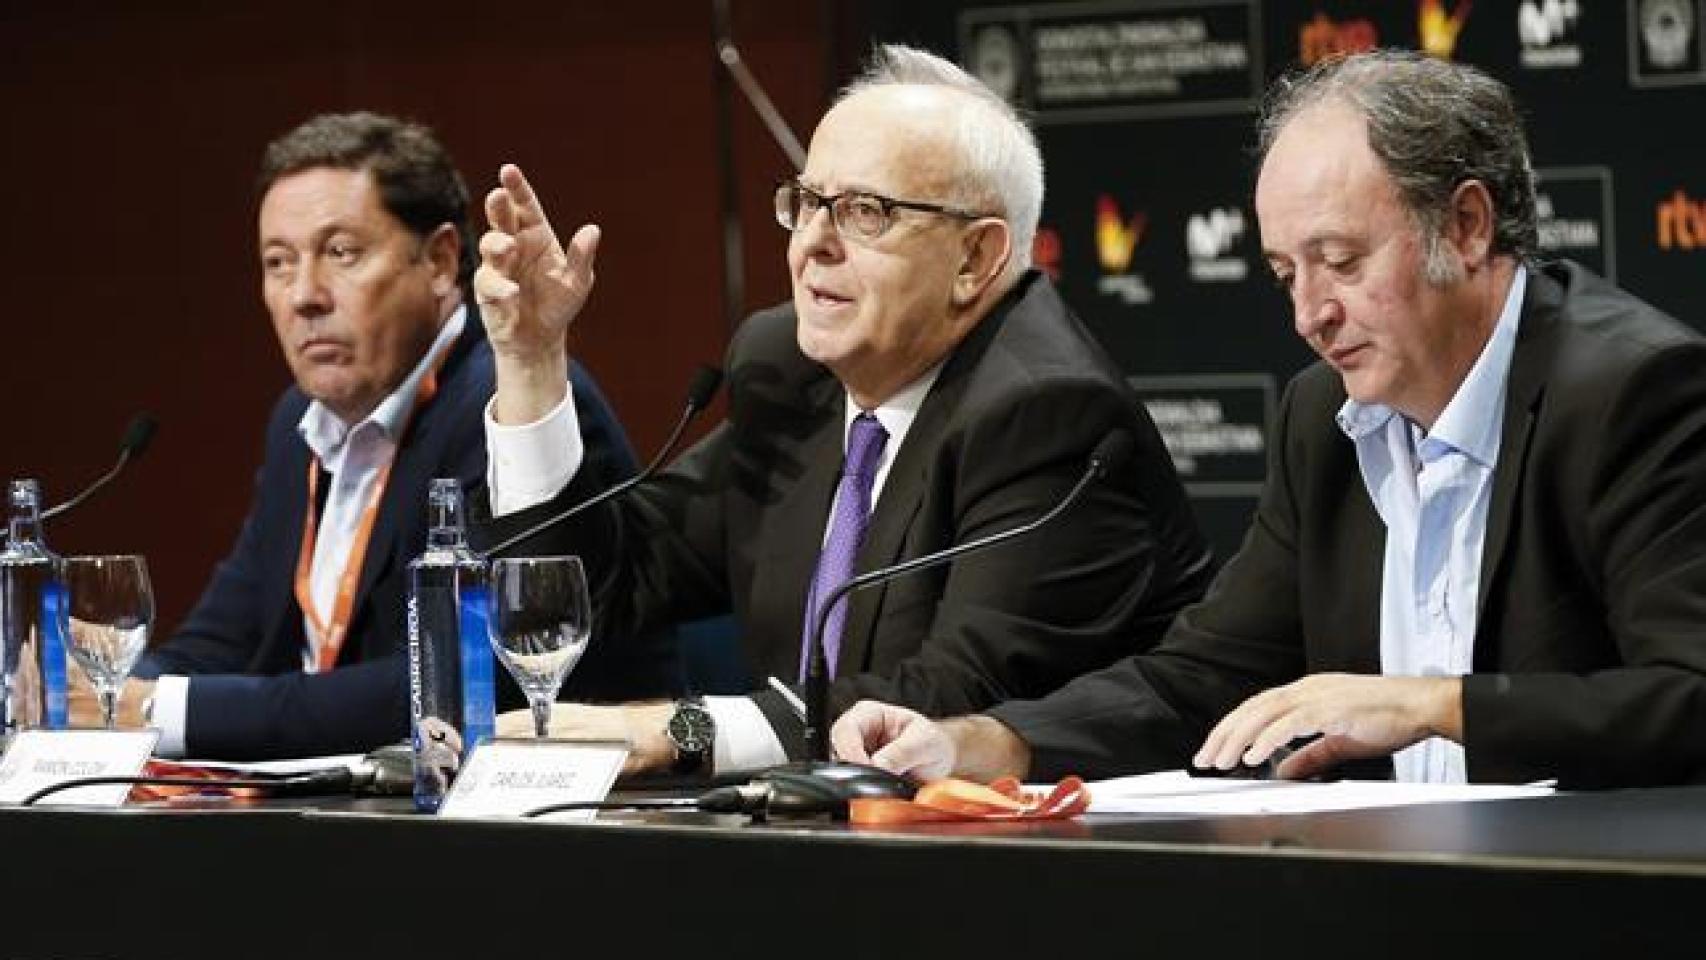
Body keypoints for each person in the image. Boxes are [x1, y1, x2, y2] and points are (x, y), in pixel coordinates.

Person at [833, 49, 1706, 790]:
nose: (1309, 315)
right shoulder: (1322, 416)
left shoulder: (1632, 392)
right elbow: (1203, 676)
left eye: (1339, 261)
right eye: (1288, 273)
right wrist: (994, 742)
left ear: (1468, 226)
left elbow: (1689, 695)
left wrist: (1433, 703)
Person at [470, 44, 1213, 777]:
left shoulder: (1046, 412)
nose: (813, 243)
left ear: (976, 259)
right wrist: (532, 360)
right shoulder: (794, 373)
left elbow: (938, 703)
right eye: (808, 202)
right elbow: (606, 586)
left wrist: (679, 731)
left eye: (867, 212)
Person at [66, 112, 675, 759]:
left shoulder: (516, 410)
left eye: (340, 253)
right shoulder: (299, 425)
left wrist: (159, 709)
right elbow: (227, 639)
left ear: (440, 261)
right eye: (278, 262)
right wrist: (107, 686)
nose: (304, 295)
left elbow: (471, 681)